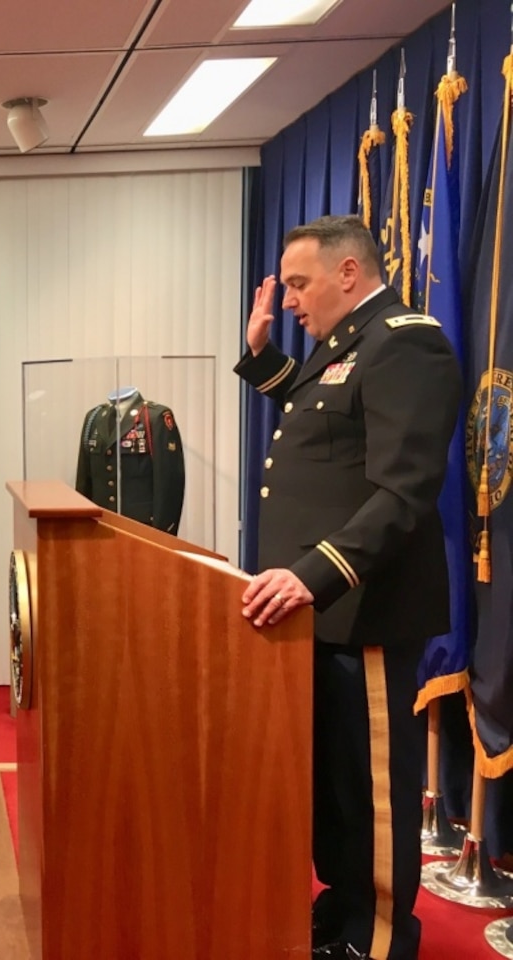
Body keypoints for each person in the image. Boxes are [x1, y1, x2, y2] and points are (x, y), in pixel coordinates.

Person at [236, 215, 462, 960]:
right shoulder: (347, 349)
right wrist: (263, 355)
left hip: (363, 609)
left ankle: (384, 937)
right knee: (334, 786)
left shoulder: (405, 341)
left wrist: (311, 577)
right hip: (323, 615)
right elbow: (316, 413)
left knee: (374, 794)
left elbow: (404, 491)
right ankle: (345, 909)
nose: (291, 299)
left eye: (299, 283)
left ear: (347, 274)